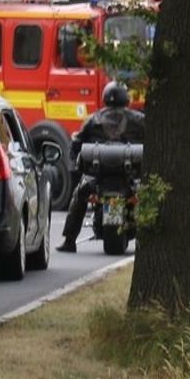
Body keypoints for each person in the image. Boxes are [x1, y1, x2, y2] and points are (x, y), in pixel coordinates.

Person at [57, 82, 146, 252]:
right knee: (150, 197)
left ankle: (69, 240)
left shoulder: (93, 119)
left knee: (79, 195)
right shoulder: (139, 119)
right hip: (130, 177)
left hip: (98, 176)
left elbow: (76, 143)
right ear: (126, 98)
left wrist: (76, 164)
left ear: (105, 97)